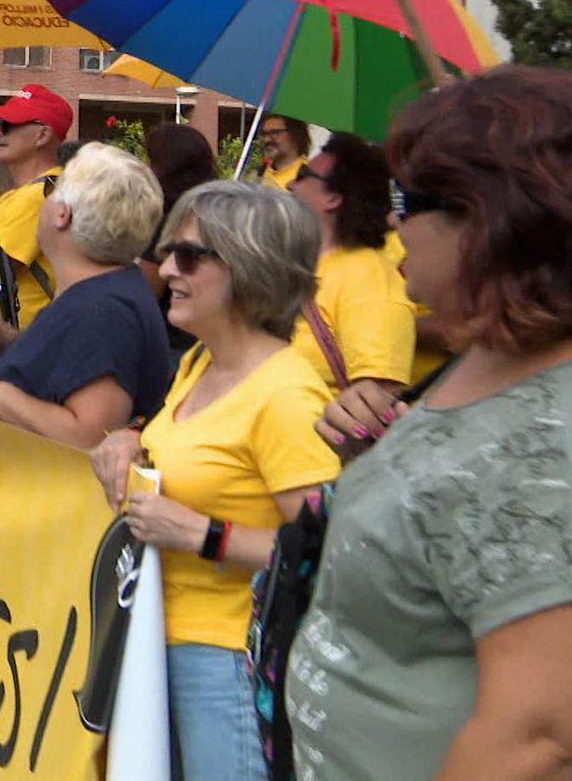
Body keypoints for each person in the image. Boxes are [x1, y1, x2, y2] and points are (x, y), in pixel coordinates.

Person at [292, 66, 572, 781]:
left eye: (402, 198)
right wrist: (376, 454)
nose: (389, 220)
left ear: (486, 217)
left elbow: (538, 734)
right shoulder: (485, 353)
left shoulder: (550, 437)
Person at [89, 180, 339, 781]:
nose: (166, 267)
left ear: (251, 266)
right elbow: (182, 452)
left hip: (229, 663)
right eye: (167, 249)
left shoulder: (287, 393)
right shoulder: (200, 363)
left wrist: (205, 534)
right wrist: (131, 437)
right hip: (153, 640)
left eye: (190, 255)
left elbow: (329, 556)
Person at [0, 143, 170, 449]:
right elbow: (55, 368)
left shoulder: (101, 311)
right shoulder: (100, 295)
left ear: (62, 215)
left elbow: (92, 436)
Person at [286, 132, 415, 395]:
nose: (289, 184)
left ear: (333, 198)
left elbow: (375, 406)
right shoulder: (299, 263)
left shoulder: (370, 281)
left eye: (302, 175)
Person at [0, 83, 73, 329]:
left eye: (8, 124)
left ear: (43, 135)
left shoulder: (41, 195)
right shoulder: (20, 196)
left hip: (25, 349)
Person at [140, 122, 219, 359]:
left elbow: (147, 291)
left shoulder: (169, 217)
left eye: (150, 161)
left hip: (171, 342)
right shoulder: (215, 210)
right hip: (208, 336)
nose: (146, 168)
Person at [259, 114, 310, 190]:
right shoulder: (260, 172)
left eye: (274, 133)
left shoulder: (310, 178)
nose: (266, 139)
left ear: (295, 134)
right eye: (264, 134)